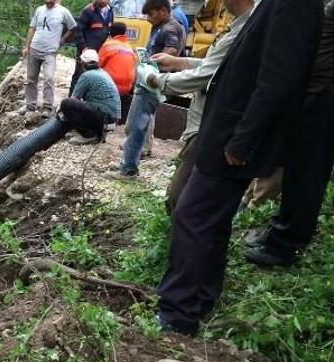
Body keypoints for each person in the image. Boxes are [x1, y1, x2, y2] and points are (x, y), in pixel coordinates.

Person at [155, 0, 323, 336]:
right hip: (225, 130)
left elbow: (279, 79)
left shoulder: (297, 6)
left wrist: (243, 141)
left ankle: (178, 314)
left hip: (234, 137)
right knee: (211, 220)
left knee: (193, 215)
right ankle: (200, 297)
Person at [245, 0, 334, 267]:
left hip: (325, 95)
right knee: (295, 171)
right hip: (310, 94)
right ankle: (279, 233)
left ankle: (284, 246)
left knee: (307, 175)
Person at [144, 0, 254, 211]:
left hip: (209, 126)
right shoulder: (239, 25)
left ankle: (181, 239)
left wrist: (155, 80)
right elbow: (215, 65)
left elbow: (207, 75)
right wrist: (180, 63)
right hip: (205, 125)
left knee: (180, 199)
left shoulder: (246, 29)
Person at [112, 0, 186, 178]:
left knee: (134, 125)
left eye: (151, 14)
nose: (147, 18)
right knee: (142, 123)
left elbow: (172, 51)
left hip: (151, 82)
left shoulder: (169, 28)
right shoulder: (163, 25)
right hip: (151, 81)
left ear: (162, 11)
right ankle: (130, 161)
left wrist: (150, 63)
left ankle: (128, 169)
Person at [21, 0, 77, 118]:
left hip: (50, 52)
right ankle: (30, 106)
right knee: (31, 79)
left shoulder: (63, 11)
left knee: (49, 78)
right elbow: (32, 28)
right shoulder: (39, 10)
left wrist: (62, 40)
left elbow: (73, 28)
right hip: (34, 48)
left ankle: (47, 107)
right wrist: (26, 46)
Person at [60, 49, 121, 143]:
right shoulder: (102, 72)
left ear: (83, 63)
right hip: (112, 119)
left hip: (105, 118)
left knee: (66, 104)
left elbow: (73, 99)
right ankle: (96, 134)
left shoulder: (86, 76)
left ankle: (89, 135)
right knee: (84, 105)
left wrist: (60, 112)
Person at [68, 0, 114, 96]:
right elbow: (78, 31)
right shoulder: (88, 11)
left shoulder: (110, 11)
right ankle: (70, 101)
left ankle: (88, 102)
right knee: (80, 75)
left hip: (101, 53)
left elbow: (110, 30)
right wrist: (84, 48)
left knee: (97, 77)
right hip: (86, 52)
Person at [99, 22, 138, 96]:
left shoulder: (108, 45)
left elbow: (97, 64)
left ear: (110, 31)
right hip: (127, 87)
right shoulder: (129, 47)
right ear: (124, 33)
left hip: (109, 84)